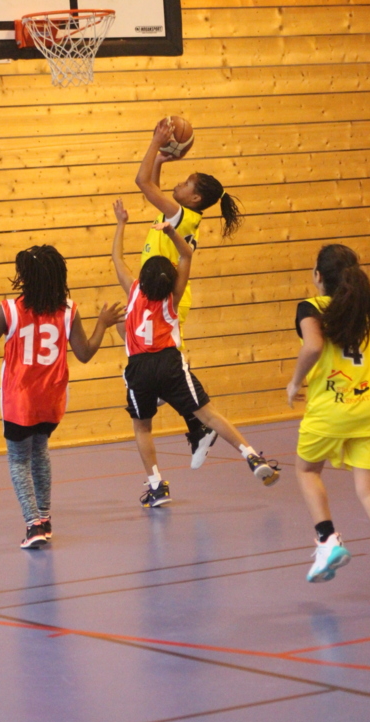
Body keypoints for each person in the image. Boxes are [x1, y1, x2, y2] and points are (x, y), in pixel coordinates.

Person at [0, 245, 124, 549]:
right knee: (39, 452)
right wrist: (102, 324)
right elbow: (84, 353)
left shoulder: (10, 310)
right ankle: (45, 518)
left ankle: (33, 525)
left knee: (18, 460)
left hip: (20, 400)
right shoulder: (69, 310)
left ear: (25, 277)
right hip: (52, 399)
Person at [111, 198, 279, 507]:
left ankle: (157, 486)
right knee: (209, 414)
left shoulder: (133, 290)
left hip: (139, 368)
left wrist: (121, 223)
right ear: (171, 281)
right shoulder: (173, 298)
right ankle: (251, 455)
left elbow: (116, 258)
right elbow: (186, 254)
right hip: (169, 363)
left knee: (142, 426)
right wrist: (171, 232)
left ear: (142, 279)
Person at [135, 118, 244, 470]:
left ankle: (199, 426)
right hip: (157, 296)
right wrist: (160, 160)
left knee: (168, 367)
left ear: (195, 198)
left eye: (185, 184)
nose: (178, 185)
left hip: (169, 299)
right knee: (132, 336)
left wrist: (156, 142)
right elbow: (152, 183)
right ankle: (196, 426)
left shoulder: (180, 215)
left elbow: (142, 183)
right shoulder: (180, 214)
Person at [286, 244, 370, 608]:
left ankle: (327, 540)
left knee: (306, 470)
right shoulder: (362, 311)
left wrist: (295, 382)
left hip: (331, 408)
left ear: (319, 276)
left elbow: (313, 345)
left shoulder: (311, 308)